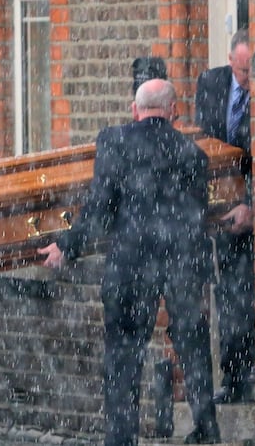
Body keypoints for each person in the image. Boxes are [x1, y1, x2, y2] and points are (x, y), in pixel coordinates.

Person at [38, 79, 221, 445]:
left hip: (132, 264)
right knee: (192, 343)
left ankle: (122, 438)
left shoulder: (115, 141)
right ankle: (205, 427)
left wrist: (67, 245)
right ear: (173, 112)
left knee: (123, 356)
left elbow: (100, 207)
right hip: (181, 261)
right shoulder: (192, 154)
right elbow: (196, 215)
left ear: (134, 109)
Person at [194, 28, 255, 405]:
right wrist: (216, 202)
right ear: (231, 59)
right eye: (242, 70)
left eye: (252, 71)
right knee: (226, 295)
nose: (247, 79)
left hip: (254, 210)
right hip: (219, 208)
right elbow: (206, 145)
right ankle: (232, 378)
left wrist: (250, 202)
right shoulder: (211, 83)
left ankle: (247, 376)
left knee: (244, 295)